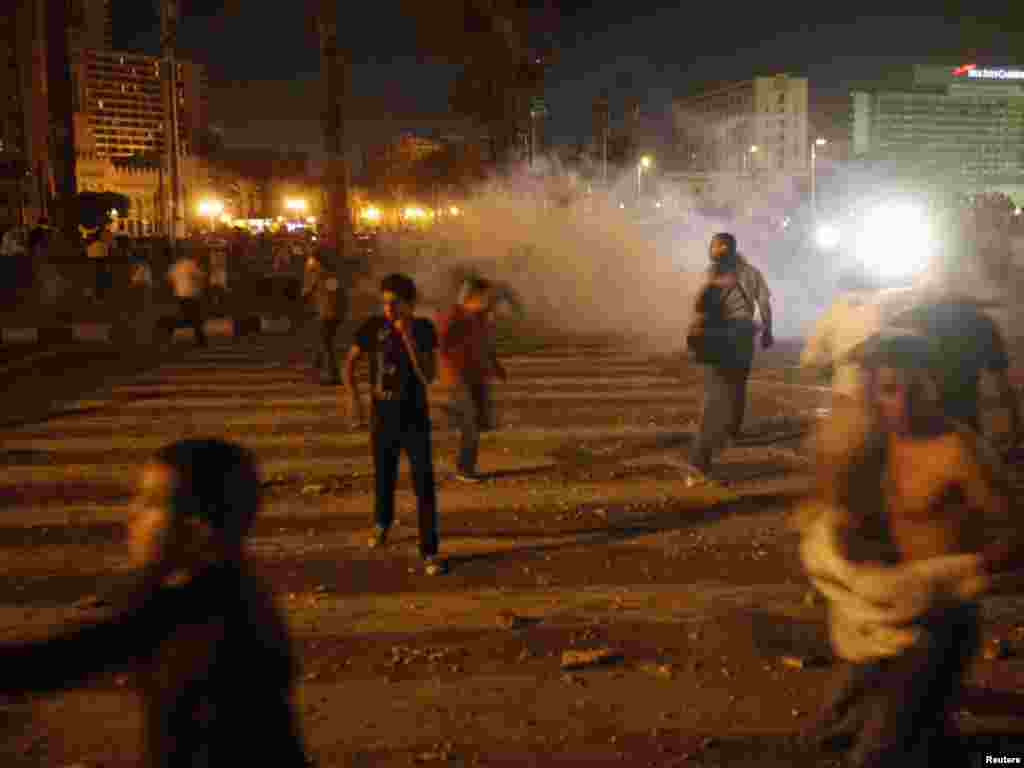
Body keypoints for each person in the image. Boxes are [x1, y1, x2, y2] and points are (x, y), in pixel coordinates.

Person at [0, 438, 309, 767]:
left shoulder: (192, 615)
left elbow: (64, 658)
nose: (131, 514)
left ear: (196, 528)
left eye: (149, 503)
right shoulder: (231, 591)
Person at [798, 331, 1017, 766]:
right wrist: (846, 549)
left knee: (880, 752)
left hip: (938, 625)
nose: (905, 402)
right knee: (838, 731)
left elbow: (1015, 533)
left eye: (917, 388)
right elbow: (837, 508)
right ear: (873, 393)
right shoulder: (873, 445)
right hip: (881, 618)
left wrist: (948, 577)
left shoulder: (960, 452)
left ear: (935, 384)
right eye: (890, 390)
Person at [343, 273, 446, 576]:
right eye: (384, 302)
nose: (388, 309)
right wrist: (354, 399)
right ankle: (382, 523)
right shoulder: (373, 328)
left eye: (395, 303)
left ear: (410, 304)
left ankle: (429, 550)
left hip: (415, 419)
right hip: (383, 418)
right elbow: (349, 362)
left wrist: (408, 338)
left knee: (423, 485)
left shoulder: (424, 329)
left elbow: (429, 376)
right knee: (384, 476)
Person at [685, 232, 774, 483]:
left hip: (721, 338)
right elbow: (764, 303)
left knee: (714, 397)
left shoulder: (714, 273)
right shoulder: (751, 272)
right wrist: (767, 329)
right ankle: (732, 430)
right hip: (743, 334)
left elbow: (701, 308)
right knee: (737, 385)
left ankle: (699, 462)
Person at [889, 293, 1021, 452]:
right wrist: (1016, 425)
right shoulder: (982, 324)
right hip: (963, 410)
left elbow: (898, 321)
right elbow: (1003, 383)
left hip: (935, 413)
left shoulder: (929, 322)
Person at [436, 276, 509, 482]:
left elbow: (485, 344)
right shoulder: (455, 315)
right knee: (473, 421)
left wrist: (496, 366)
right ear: (473, 297)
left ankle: (453, 414)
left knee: (480, 421)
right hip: (460, 376)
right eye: (485, 297)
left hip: (477, 375)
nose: (489, 301)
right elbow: (440, 342)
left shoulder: (481, 317)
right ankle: (464, 469)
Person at [302, 249, 347, 385]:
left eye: (311, 259)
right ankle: (316, 371)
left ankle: (333, 375)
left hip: (329, 314)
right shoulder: (320, 275)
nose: (308, 262)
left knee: (326, 344)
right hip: (327, 313)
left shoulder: (327, 276)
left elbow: (336, 295)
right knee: (322, 343)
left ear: (317, 262)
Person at [167, 250, 208, 347]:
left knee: (185, 317)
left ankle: (169, 332)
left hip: (180, 295)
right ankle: (201, 341)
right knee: (195, 319)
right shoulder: (191, 264)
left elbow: (169, 278)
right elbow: (201, 276)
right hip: (191, 295)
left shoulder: (175, 266)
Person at [87, 227, 113, 303]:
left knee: (94, 281)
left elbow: (89, 256)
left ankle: (95, 296)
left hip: (93, 265)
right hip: (102, 265)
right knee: (101, 282)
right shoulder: (104, 245)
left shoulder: (90, 246)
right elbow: (106, 256)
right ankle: (100, 296)